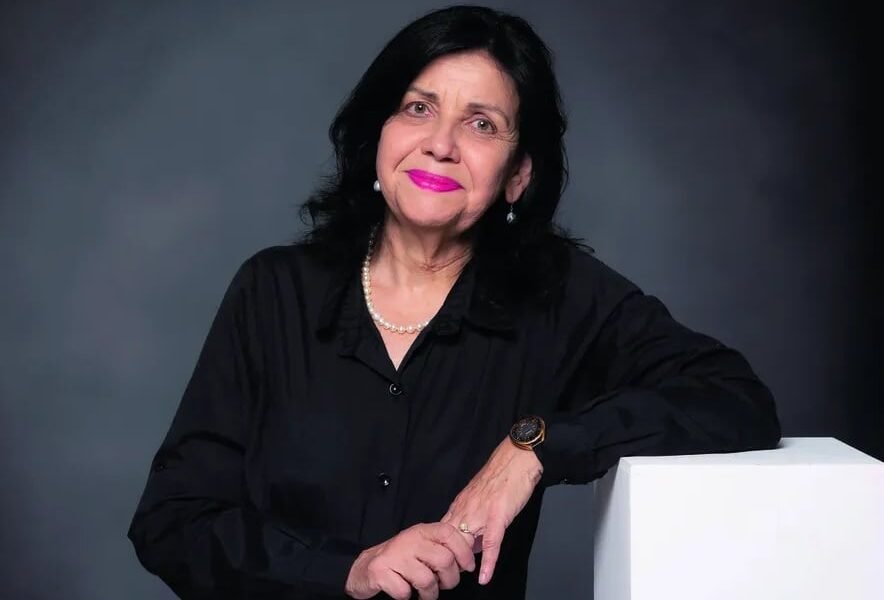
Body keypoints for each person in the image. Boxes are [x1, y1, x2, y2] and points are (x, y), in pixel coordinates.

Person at [128, 5, 781, 599]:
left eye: (481, 124)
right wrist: (348, 571)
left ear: (518, 175)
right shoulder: (273, 291)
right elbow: (172, 520)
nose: (440, 143)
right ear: (378, 136)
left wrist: (534, 448)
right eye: (418, 108)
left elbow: (732, 397)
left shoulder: (561, 297)